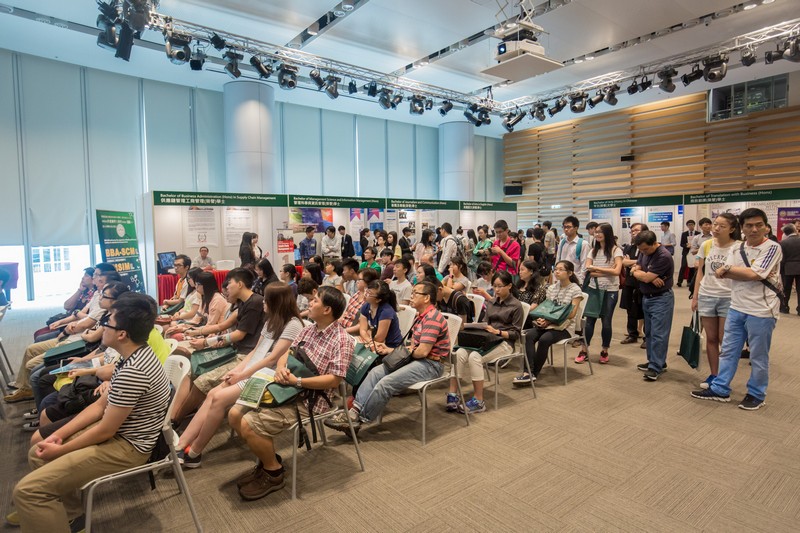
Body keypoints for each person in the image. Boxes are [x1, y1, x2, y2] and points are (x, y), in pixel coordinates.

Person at [11, 293, 170, 532]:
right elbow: (99, 407)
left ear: (122, 334)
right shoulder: (133, 356)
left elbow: (106, 429)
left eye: (107, 321)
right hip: (120, 435)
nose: (102, 326)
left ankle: (47, 510)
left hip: (129, 447)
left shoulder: (133, 371)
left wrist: (62, 447)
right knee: (38, 452)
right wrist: (59, 435)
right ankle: (71, 515)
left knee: (27, 491)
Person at [228, 286, 353, 501]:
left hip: (311, 400)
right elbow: (287, 352)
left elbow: (334, 379)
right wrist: (281, 368)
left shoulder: (342, 340)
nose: (309, 303)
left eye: (315, 301)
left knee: (248, 423)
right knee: (233, 414)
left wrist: (298, 381)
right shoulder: (308, 329)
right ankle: (269, 460)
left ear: (327, 310)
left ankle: (273, 472)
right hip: (288, 387)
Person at [176, 283, 304, 467]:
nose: (263, 303)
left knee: (218, 398)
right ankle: (181, 444)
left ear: (277, 302)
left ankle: (195, 452)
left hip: (268, 376)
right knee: (211, 394)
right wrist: (238, 370)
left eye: (267, 299)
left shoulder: (293, 324)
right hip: (254, 370)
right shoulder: (271, 320)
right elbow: (256, 351)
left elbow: (271, 360)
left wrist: (243, 374)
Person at [324, 281, 450, 433]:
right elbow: (414, 348)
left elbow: (422, 352)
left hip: (431, 364)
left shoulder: (432, 318)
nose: (411, 295)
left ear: (426, 298)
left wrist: (394, 351)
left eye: (416, 293)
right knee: (375, 372)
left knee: (386, 383)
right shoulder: (421, 316)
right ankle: (353, 412)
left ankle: (357, 420)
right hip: (417, 359)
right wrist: (392, 350)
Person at [691, 208, 783, 410]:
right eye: (749, 225)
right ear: (742, 228)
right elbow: (720, 273)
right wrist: (735, 271)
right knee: (729, 352)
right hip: (736, 306)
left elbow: (756, 273)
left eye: (759, 225)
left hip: (762, 311)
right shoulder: (736, 249)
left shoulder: (772, 247)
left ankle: (757, 393)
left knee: (758, 356)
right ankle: (721, 388)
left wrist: (733, 270)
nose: (754, 229)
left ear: (766, 226)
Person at [175, 268, 266, 421]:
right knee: (193, 368)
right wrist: (196, 333)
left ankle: (175, 419)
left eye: (229, 284)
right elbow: (221, 326)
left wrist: (205, 341)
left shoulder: (254, 302)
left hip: (245, 356)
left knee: (202, 381)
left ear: (240, 284)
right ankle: (176, 413)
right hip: (234, 350)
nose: (226, 288)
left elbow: (238, 335)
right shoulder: (243, 303)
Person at [448, 270, 522, 413]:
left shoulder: (516, 305)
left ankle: (479, 401)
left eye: (500, 286)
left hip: (505, 343)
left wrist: (498, 332)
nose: (497, 290)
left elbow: (516, 334)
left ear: (509, 286)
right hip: (487, 340)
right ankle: (452, 394)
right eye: (494, 286)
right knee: (461, 352)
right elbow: (485, 322)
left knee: (475, 357)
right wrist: (478, 326)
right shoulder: (492, 302)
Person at [514, 260, 584, 385]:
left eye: (560, 269)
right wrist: (542, 319)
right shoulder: (551, 288)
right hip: (549, 324)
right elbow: (545, 309)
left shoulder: (575, 290)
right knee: (528, 336)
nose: (556, 272)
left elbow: (571, 314)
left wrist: (549, 320)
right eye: (555, 269)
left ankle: (533, 373)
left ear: (570, 273)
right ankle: (527, 372)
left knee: (544, 339)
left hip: (565, 327)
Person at [691, 213, 739, 389]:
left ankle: (724, 378)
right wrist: (696, 296)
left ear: (732, 229)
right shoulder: (706, 244)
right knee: (710, 338)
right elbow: (700, 272)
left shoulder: (738, 247)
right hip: (707, 295)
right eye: (715, 224)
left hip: (729, 297)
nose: (716, 228)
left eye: (722, 226)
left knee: (724, 339)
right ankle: (714, 374)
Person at [631, 230, 674, 381]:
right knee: (649, 332)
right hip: (646, 297)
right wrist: (643, 274)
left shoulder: (663, 256)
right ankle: (655, 361)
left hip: (661, 299)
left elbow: (645, 276)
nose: (643, 252)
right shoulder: (644, 251)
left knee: (659, 334)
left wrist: (644, 275)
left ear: (654, 243)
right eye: (641, 250)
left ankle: (656, 367)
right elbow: (636, 266)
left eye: (645, 249)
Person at [577, 223, 622, 365]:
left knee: (606, 321)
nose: (597, 234)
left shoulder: (616, 250)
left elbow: (617, 272)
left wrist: (597, 269)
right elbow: (589, 270)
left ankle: (605, 350)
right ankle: (584, 350)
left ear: (607, 233)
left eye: (600, 232)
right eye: (596, 232)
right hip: (593, 289)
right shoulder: (593, 251)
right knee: (589, 321)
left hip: (611, 290)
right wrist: (606, 269)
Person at [165, 270, 228, 338]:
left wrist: (186, 329)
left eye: (198, 284)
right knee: (170, 331)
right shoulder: (204, 297)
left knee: (176, 336)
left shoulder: (217, 300)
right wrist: (181, 327)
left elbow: (210, 326)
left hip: (214, 334)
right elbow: (196, 319)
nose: (196, 286)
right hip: (203, 328)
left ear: (206, 285)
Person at [620, 223, 649, 347]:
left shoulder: (648, 247)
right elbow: (624, 262)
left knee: (645, 310)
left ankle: (647, 337)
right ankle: (632, 334)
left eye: (636, 230)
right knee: (630, 309)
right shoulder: (629, 247)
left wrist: (634, 262)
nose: (633, 233)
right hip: (630, 282)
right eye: (631, 231)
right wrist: (637, 261)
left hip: (644, 282)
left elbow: (646, 263)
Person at [358, 280, 403, 350]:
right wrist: (369, 342)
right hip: (374, 343)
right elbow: (362, 330)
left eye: (369, 293)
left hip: (391, 348)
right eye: (366, 291)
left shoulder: (386, 311)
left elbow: (379, 338)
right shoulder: (366, 306)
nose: (365, 294)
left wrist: (370, 342)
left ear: (378, 300)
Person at [340, 267, 379, 334]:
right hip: (342, 326)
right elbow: (346, 313)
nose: (357, 281)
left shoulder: (370, 300)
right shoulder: (357, 293)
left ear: (368, 282)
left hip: (351, 332)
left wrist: (343, 332)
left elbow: (362, 325)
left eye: (359, 279)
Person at [516, 259, 547, 327]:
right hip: (514, 316)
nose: (520, 272)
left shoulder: (539, 289)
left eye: (522, 270)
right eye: (519, 270)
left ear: (531, 271)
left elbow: (531, 308)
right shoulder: (518, 286)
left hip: (528, 319)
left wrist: (514, 313)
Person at [557, 216, 589, 283]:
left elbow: (584, 265)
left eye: (568, 227)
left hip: (575, 280)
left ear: (576, 228)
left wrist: (580, 281)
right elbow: (558, 260)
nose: (566, 229)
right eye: (564, 227)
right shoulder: (562, 242)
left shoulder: (583, 244)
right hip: (562, 279)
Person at [780, 223, 800, 314]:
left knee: (786, 289)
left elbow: (782, 258)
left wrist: (781, 270)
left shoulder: (783, 243)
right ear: (795, 230)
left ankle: (784, 307)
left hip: (787, 268)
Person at [677, 219, 697, 287]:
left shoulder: (698, 233)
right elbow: (681, 244)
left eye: (692, 225)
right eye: (689, 225)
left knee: (692, 267)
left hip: (694, 252)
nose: (690, 226)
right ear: (687, 226)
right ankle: (679, 281)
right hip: (686, 252)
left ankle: (690, 281)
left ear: (694, 225)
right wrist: (686, 245)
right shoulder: (684, 234)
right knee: (683, 266)